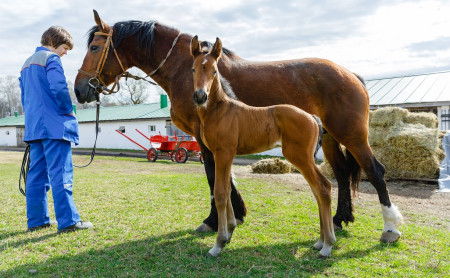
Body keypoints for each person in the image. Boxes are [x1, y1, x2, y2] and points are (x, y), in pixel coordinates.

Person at [19, 26, 92, 233]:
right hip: (54, 127)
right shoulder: (51, 59)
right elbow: (59, 88)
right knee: (61, 174)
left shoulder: (25, 65)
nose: (65, 53)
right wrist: (68, 111)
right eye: (64, 48)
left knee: (36, 176)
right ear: (53, 42)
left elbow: (26, 97)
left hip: (35, 128)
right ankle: (68, 221)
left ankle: (37, 220)